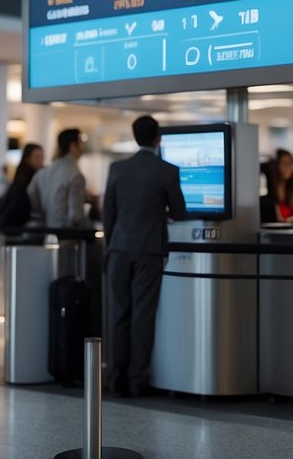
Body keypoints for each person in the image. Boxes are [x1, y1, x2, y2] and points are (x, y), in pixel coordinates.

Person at [102, 115, 188, 398]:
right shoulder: (167, 171)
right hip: (149, 250)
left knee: (119, 314)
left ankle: (116, 380)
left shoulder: (117, 169)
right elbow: (178, 213)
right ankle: (138, 381)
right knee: (143, 315)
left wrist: (111, 246)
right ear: (158, 137)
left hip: (118, 249)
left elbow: (109, 213)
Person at [29, 129, 89, 228]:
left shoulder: (42, 172)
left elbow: (32, 200)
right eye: (81, 142)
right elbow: (76, 215)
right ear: (73, 146)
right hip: (65, 234)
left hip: (44, 232)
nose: (83, 146)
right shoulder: (75, 175)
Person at [0, 143, 43, 234]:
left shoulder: (28, 177)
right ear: (28, 159)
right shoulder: (25, 179)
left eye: (41, 157)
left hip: (16, 227)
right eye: (37, 157)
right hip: (19, 227)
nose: (40, 161)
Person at [262, 149, 293, 224]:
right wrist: (291, 220)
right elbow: (277, 222)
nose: (289, 167)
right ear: (276, 166)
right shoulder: (270, 197)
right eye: (285, 163)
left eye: (291, 163)